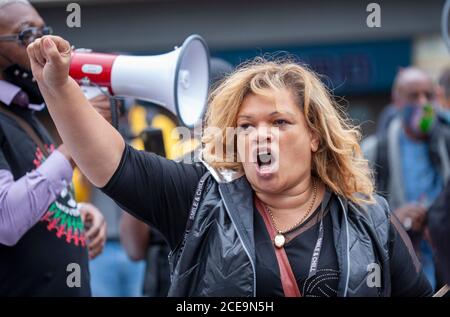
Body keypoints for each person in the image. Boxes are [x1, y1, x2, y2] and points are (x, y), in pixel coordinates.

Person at [27, 35, 432, 297]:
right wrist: (59, 87)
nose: (261, 135)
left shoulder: (372, 219)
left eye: (279, 122)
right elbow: (111, 164)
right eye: (246, 126)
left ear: (314, 136)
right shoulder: (199, 198)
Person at [0, 0, 106, 296]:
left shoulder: (24, 115)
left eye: (44, 33)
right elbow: (5, 219)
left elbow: (32, 192)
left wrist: (74, 210)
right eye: (26, 36)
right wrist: (75, 143)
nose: (44, 47)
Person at [362, 67, 450, 290]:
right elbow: (359, 216)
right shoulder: (374, 151)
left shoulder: (446, 144)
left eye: (428, 95)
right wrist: (393, 222)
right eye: (413, 96)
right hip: (402, 269)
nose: (422, 103)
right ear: (397, 101)